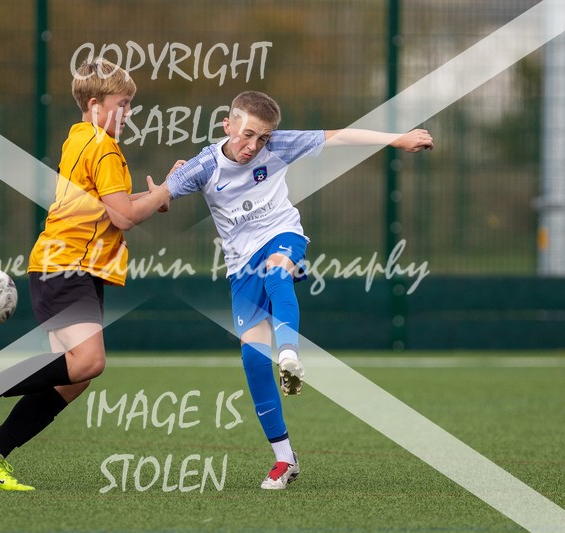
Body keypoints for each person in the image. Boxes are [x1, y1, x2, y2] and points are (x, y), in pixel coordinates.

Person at [165, 90, 433, 490]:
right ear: (227, 125)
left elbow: (340, 136)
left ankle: (289, 353)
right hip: (240, 266)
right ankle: (284, 459)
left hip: (282, 235)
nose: (254, 145)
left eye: (263, 138)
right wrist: (165, 191)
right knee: (254, 360)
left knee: (277, 273)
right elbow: (158, 198)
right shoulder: (205, 165)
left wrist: (397, 139)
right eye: (248, 135)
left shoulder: (279, 144)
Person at [0, 58, 172, 491]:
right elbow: (123, 217)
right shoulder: (103, 147)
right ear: (95, 104)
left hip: (68, 266)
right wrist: (162, 193)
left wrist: (153, 195)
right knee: (89, 362)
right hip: (67, 266)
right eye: (122, 104)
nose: (128, 113)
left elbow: (113, 205)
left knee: (74, 377)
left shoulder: (80, 137)